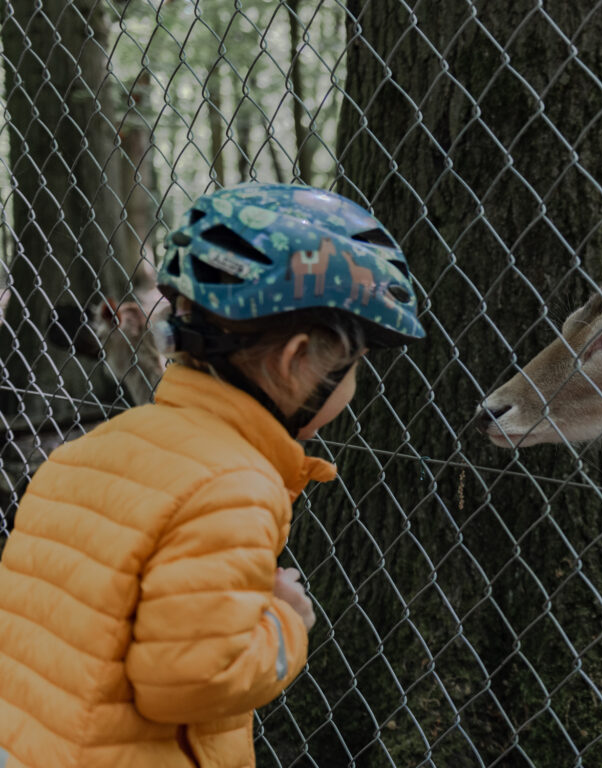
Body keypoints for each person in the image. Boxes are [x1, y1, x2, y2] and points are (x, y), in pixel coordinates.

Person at [0, 184, 425, 767]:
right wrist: (285, 623)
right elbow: (190, 679)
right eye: (355, 369)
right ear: (295, 360)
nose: (353, 389)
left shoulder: (91, 448)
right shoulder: (234, 487)